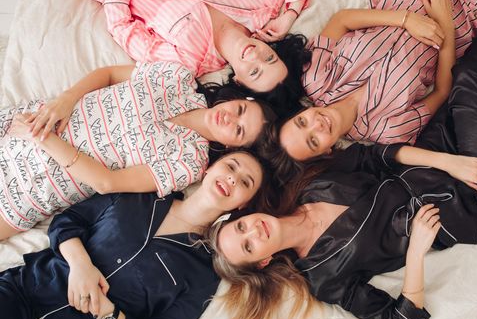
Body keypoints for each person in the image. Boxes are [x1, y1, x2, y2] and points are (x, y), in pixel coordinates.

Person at [208, 0, 477, 319]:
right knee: (471, 78)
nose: (252, 231)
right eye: (249, 246)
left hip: (432, 153)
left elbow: (379, 156)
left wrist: (446, 161)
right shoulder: (324, 276)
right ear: (264, 262)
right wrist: (416, 250)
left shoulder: (308, 188)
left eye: (240, 227)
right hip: (462, 198)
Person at [0, 61, 276, 240]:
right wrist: (65, 99)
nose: (230, 118)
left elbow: (106, 183)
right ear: (239, 99)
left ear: (232, 147)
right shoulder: (177, 78)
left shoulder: (190, 162)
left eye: (238, 130)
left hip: (30, 189)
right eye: (240, 110)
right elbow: (109, 74)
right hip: (24, 124)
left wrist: (44, 139)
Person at [0, 150, 267, 319]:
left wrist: (107, 312)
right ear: (209, 169)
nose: (233, 177)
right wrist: (81, 264)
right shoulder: (138, 195)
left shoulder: (203, 276)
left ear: (243, 204)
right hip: (24, 290)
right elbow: (68, 221)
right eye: (231, 166)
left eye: (245, 182)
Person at [278, 0, 477, 161]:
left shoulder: (316, 78)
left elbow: (342, 20)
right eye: (313, 141)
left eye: (302, 122)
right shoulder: (389, 131)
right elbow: (442, 92)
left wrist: (406, 20)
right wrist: (445, 23)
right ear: (327, 152)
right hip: (458, 12)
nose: (316, 124)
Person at [78, 0, 315, 114]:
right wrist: (291, 13)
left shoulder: (187, 61)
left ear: (239, 82)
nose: (257, 56)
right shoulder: (264, 7)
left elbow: (121, 27)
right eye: (270, 59)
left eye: (254, 71)